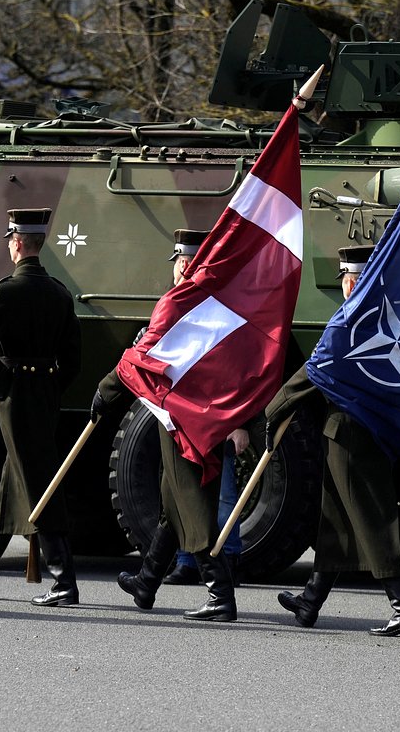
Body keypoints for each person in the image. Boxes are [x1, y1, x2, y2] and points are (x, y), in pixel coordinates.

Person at [265, 245, 400, 637]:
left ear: (351, 280)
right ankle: (310, 601)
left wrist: (274, 410)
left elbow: (314, 371)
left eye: (343, 277)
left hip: (348, 434)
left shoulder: (350, 320)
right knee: (336, 520)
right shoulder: (386, 319)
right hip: (369, 431)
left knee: (371, 519)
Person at [93, 229, 244, 623]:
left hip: (180, 422)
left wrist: (107, 391)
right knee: (172, 504)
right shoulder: (218, 305)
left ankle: (219, 593)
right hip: (201, 421)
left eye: (183, 261)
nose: (179, 268)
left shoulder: (177, 304)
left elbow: (143, 357)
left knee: (191, 505)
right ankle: (147, 581)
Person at [0, 208, 82, 607]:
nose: (8, 244)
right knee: (17, 476)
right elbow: (73, 361)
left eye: (10, 238)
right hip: (43, 393)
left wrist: (2, 379)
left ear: (19, 242)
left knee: (36, 481)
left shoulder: (5, 291)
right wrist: (48, 387)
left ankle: (63, 579)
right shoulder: (60, 293)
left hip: (15, 394)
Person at [161, 229, 245, 586]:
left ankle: (227, 559)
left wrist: (238, 423)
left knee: (223, 490)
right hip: (179, 417)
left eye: (185, 263)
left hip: (210, 417)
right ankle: (184, 560)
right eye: (179, 263)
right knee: (182, 492)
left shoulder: (216, 311)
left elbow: (235, 372)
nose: (179, 269)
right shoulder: (170, 304)